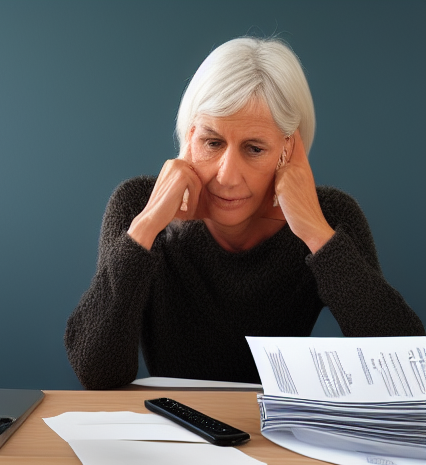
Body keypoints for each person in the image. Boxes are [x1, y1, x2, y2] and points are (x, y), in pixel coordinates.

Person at [64, 37, 425, 390]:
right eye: (212, 142)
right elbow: (99, 372)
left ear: (289, 150)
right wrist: (145, 228)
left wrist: (317, 235)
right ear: (189, 138)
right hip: (175, 431)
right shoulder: (135, 205)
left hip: (281, 437)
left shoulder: (330, 215)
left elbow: (409, 366)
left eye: (254, 148)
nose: (227, 176)